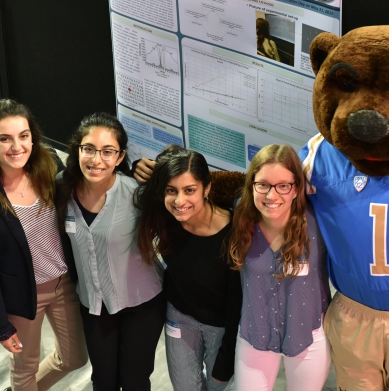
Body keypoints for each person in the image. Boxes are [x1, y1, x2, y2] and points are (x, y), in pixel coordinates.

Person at [0, 99, 88, 391]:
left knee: (75, 358)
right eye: (5, 138)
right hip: (23, 294)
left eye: (23, 136)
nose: (17, 146)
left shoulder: (49, 164)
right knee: (24, 369)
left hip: (64, 284)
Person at [56, 113, 165, 390]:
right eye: (89, 149)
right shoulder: (61, 190)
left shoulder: (137, 194)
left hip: (142, 304)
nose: (96, 160)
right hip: (94, 305)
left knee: (134, 382)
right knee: (103, 380)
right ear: (77, 149)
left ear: (120, 157)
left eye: (108, 152)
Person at [135, 146, 242, 391]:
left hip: (222, 327)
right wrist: (134, 168)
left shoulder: (235, 232)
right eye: (171, 191)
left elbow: (238, 305)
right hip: (180, 318)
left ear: (207, 188)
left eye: (189, 190)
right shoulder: (165, 218)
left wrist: (226, 363)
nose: (180, 201)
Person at [229, 144, 331, 391]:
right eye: (262, 184)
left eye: (283, 186)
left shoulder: (318, 223)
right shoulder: (241, 215)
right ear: (251, 184)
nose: (271, 196)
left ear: (296, 188)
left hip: (307, 337)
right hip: (255, 334)